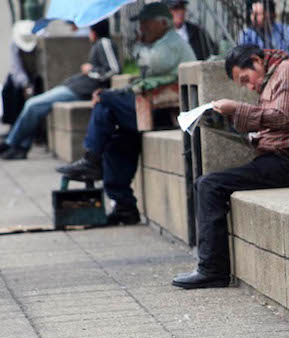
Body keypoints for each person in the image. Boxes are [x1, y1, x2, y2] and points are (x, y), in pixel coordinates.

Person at [172, 44, 289, 289]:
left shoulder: (288, 71)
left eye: (245, 78)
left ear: (256, 61)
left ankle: (212, 270)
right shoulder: (273, 78)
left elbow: (283, 117)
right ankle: (210, 267)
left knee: (209, 185)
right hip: (276, 160)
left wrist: (236, 109)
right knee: (204, 183)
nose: (249, 86)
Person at [55, 3, 195, 225]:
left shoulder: (170, 43)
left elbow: (147, 64)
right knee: (117, 143)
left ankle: (92, 159)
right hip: (149, 105)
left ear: (162, 23)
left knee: (105, 101)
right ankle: (124, 207)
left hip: (162, 112)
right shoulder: (158, 43)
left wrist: (140, 43)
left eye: (146, 24)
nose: (141, 28)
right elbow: (144, 77)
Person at [0, 19, 119, 160]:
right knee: (34, 105)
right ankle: (20, 146)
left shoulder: (104, 42)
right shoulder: (98, 44)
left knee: (33, 105)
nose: (88, 34)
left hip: (82, 90)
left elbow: (114, 69)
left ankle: (11, 143)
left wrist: (90, 71)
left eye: (89, 30)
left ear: (94, 31)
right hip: (76, 87)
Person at [2, 20, 41, 131]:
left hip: (34, 77)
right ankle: (13, 126)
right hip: (19, 77)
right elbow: (16, 67)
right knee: (10, 92)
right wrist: (25, 84)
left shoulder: (38, 43)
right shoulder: (14, 45)